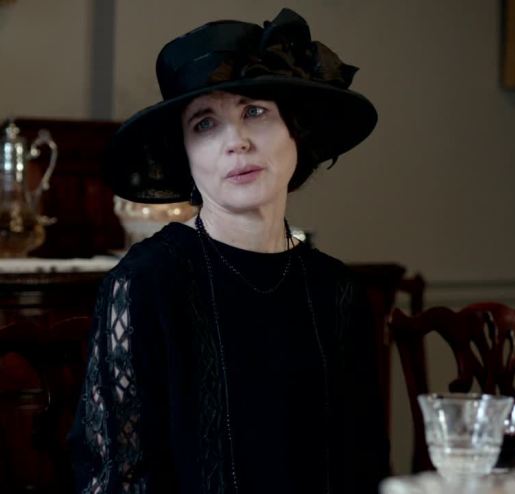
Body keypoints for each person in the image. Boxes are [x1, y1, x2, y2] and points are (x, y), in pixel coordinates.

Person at [68, 9, 389, 494]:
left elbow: (365, 468)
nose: (235, 142)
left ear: (295, 130)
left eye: (254, 112)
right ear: (185, 155)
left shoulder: (339, 289)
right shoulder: (145, 282)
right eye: (204, 124)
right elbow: (116, 477)